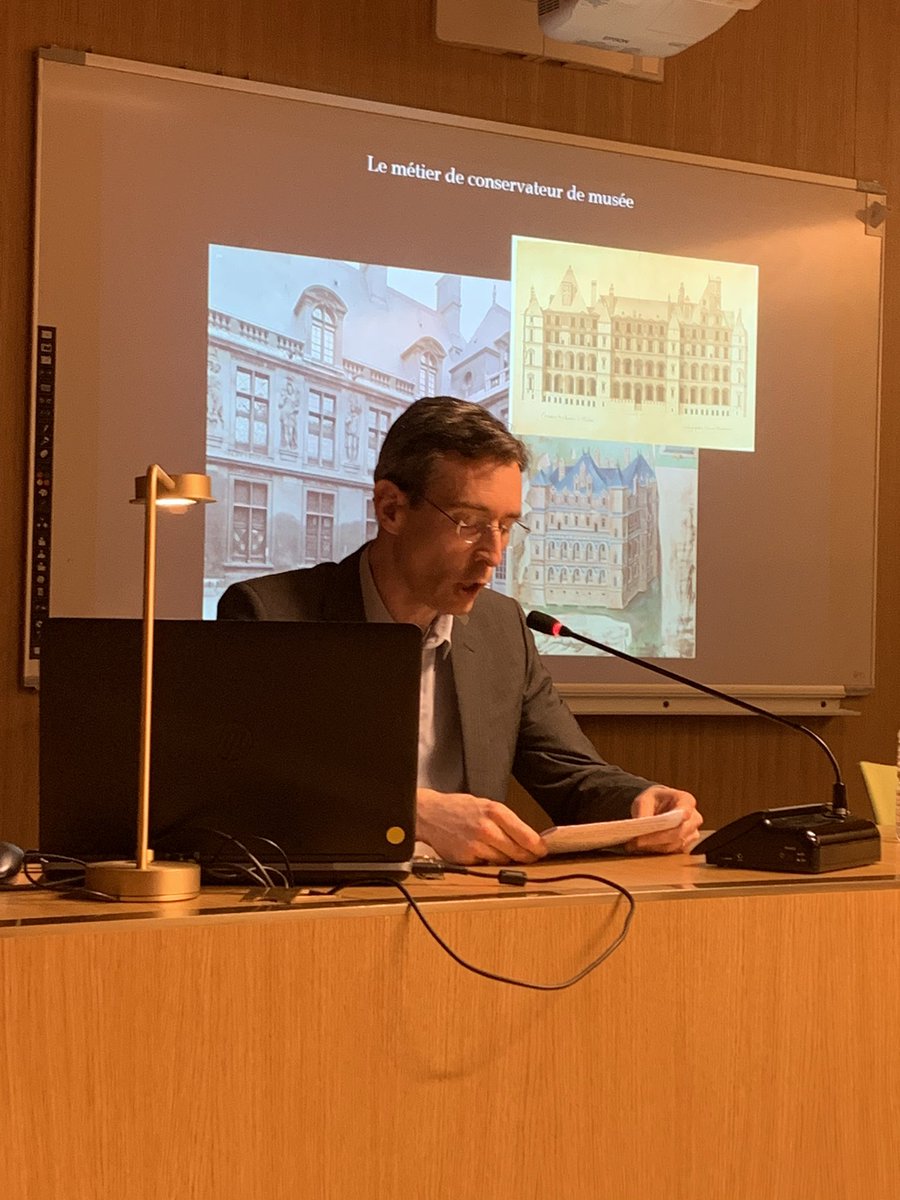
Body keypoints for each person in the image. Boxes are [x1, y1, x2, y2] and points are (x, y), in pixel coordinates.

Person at [218, 396, 703, 864]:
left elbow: (572, 777)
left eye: (507, 526)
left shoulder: (501, 627)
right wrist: (413, 812)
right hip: (323, 905)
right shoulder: (269, 615)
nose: (493, 554)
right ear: (390, 509)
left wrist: (643, 802)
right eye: (469, 523)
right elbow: (243, 793)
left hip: (467, 903)